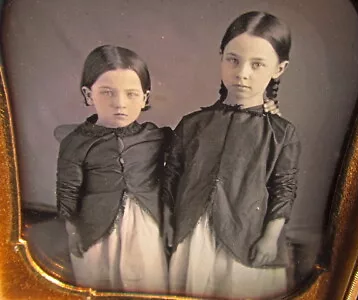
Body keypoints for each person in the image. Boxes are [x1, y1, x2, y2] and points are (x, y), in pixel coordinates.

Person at [164, 11, 301, 299]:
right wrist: (167, 219)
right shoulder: (193, 124)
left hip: (247, 234)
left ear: (279, 68)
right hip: (193, 233)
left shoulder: (280, 133)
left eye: (257, 64)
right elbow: (171, 176)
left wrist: (269, 238)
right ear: (221, 57)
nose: (242, 73)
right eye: (233, 60)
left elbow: (283, 189)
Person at [56, 45, 169, 293]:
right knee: (98, 279)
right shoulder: (76, 142)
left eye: (131, 94)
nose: (120, 104)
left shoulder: (157, 137)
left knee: (146, 280)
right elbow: (68, 188)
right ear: (88, 94)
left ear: (145, 97)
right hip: (95, 225)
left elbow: (199, 138)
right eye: (107, 92)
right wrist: (72, 229)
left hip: (145, 225)